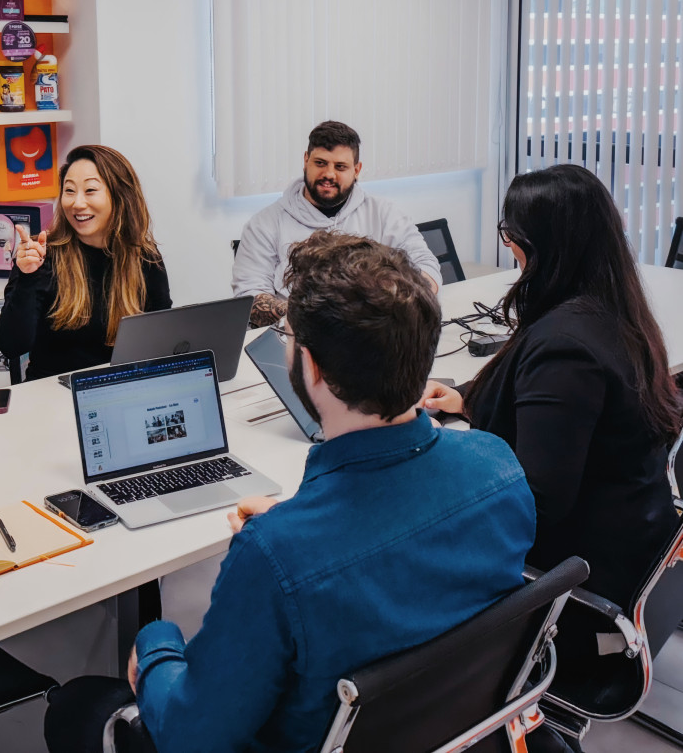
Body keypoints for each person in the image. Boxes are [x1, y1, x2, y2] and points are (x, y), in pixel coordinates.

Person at [44, 230, 535, 753]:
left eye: (286, 334)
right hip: (457, 733)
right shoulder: (498, 465)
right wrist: (295, 526)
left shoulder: (274, 555)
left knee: (78, 707)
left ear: (314, 367)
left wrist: (157, 642)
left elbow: (192, 737)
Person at [425, 164, 681, 614]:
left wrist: (439, 473)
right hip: (635, 544)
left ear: (541, 244)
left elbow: (537, 504)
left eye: (510, 234)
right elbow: (544, 395)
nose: (508, 248)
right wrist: (470, 398)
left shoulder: (565, 348)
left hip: (581, 583)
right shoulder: (611, 309)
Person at [232, 120, 443, 326]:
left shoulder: (384, 213)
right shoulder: (264, 224)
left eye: (340, 166)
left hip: (373, 334)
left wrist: (390, 307)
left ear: (357, 170)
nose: (329, 174)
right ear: (306, 161)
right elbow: (249, 298)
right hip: (294, 340)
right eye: (320, 163)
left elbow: (425, 264)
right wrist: (320, 319)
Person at [0, 144, 172, 380]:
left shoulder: (144, 256)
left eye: (89, 190)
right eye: (69, 191)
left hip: (122, 388)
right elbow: (11, 345)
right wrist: (27, 277)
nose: (77, 203)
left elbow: (162, 335)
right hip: (53, 395)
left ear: (120, 196)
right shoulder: (40, 255)